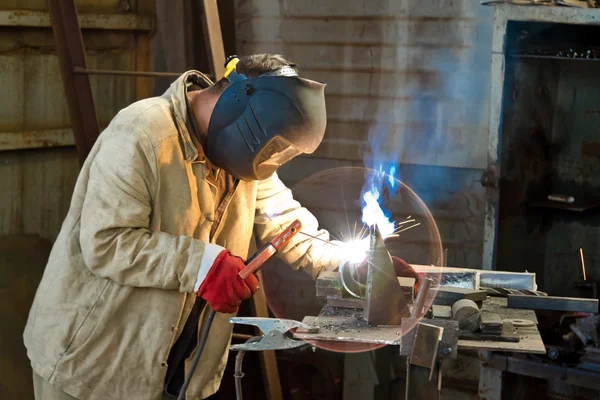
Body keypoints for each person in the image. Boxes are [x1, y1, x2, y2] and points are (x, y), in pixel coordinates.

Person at [24, 54, 417, 400]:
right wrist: (203, 265)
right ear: (237, 102)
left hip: (178, 368)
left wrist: (355, 268)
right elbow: (106, 243)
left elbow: (292, 227)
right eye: (271, 150)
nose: (271, 163)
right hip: (94, 364)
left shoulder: (248, 162)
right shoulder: (142, 133)